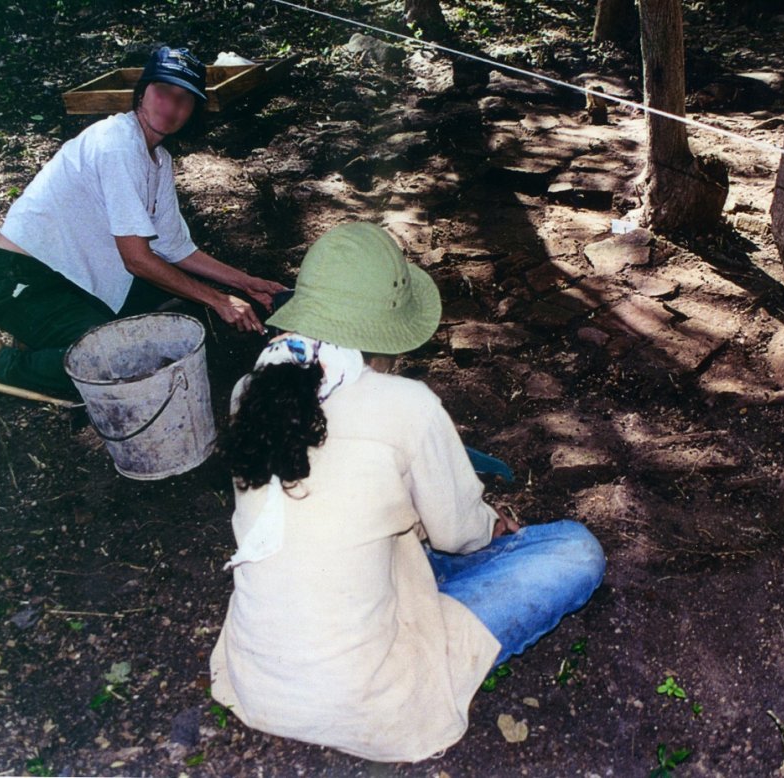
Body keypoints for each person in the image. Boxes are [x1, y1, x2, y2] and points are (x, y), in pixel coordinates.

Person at [209, 222, 605, 762]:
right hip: (366, 698)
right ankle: (432, 644)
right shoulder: (405, 404)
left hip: (261, 679)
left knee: (382, 542)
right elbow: (462, 535)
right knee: (574, 549)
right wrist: (495, 521)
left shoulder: (249, 392)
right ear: (387, 329)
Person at [0, 46, 285, 403]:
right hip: (20, 280)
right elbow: (137, 260)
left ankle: (47, 338)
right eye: (163, 91)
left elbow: (174, 248)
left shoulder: (159, 160)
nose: (171, 106)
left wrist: (246, 283)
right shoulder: (117, 143)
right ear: (142, 94)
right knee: (109, 364)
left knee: (165, 305)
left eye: (184, 99)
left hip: (73, 277)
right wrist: (219, 300)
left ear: (193, 110)